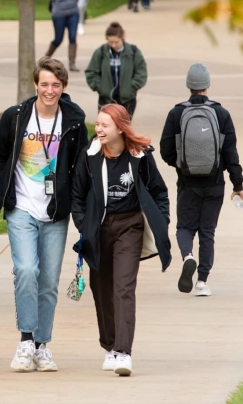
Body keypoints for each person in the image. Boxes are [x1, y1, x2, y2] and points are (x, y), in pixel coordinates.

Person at [0, 57, 88, 373]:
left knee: (47, 282)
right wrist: (5, 187)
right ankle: (25, 341)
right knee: (26, 270)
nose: (49, 90)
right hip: (21, 208)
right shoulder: (16, 117)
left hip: (56, 213)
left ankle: (43, 346)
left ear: (64, 87)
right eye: (44, 84)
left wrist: (74, 201)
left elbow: (81, 166)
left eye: (55, 85)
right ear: (35, 85)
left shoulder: (73, 120)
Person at [71, 104, 171, 376]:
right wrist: (84, 224)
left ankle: (124, 353)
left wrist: (162, 222)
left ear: (120, 128)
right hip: (99, 230)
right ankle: (110, 346)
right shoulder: (89, 155)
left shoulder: (139, 156)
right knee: (101, 289)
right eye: (98, 124)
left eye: (105, 125)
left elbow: (159, 192)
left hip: (130, 227)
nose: (98, 129)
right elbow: (77, 196)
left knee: (123, 287)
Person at [159, 63, 243, 297]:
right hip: (214, 183)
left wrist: (181, 165)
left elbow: (165, 149)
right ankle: (202, 282)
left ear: (189, 85)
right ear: (207, 85)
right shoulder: (221, 114)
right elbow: (231, 153)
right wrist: (238, 184)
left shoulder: (176, 113)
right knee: (207, 232)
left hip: (187, 184)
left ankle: (188, 256)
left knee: (185, 227)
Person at [84, 22, 148, 118]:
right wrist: (100, 87)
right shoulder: (101, 52)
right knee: (106, 126)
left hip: (127, 99)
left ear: (123, 38)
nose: (113, 45)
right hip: (106, 99)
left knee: (124, 129)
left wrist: (132, 86)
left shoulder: (133, 52)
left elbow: (141, 71)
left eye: (116, 42)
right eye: (110, 42)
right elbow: (91, 71)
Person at [40, 0, 90, 72]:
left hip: (73, 12)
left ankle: (72, 63)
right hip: (59, 13)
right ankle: (45, 59)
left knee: (72, 37)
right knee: (58, 39)